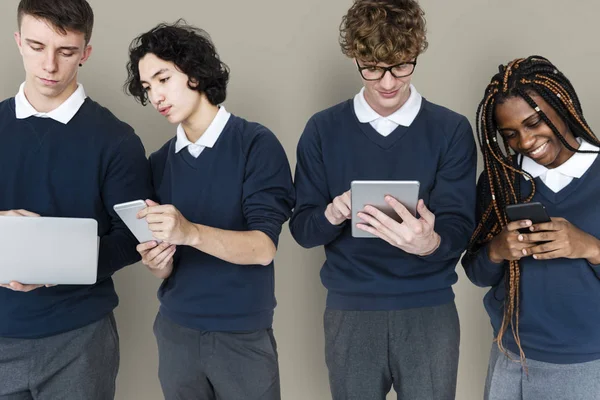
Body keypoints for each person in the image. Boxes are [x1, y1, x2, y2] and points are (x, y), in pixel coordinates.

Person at [289, 0, 476, 398]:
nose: (388, 83)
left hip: (428, 311)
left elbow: (461, 225)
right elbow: (303, 231)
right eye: (372, 68)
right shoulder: (322, 130)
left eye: (401, 66)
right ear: (356, 58)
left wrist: (431, 243)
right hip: (350, 311)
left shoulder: (450, 130)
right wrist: (332, 213)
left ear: (416, 54)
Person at [124, 21, 295, 400]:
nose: (155, 96)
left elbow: (264, 248)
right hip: (175, 333)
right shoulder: (159, 163)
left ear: (195, 73)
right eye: (148, 87)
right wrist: (158, 262)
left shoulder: (256, 144)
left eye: (163, 78)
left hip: (242, 336)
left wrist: (189, 232)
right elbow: (164, 266)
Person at [0, 0, 152, 398]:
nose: (49, 65)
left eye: (66, 51)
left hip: (79, 340)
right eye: (36, 46)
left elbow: (134, 239)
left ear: (85, 52)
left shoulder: (117, 140)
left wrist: (62, 264)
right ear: (18, 42)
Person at [462, 55, 600, 400]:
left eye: (534, 122)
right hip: (509, 356)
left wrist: (590, 247)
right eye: (510, 134)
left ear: (562, 106)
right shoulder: (499, 181)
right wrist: (496, 250)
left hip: (585, 363)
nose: (525, 142)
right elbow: (478, 274)